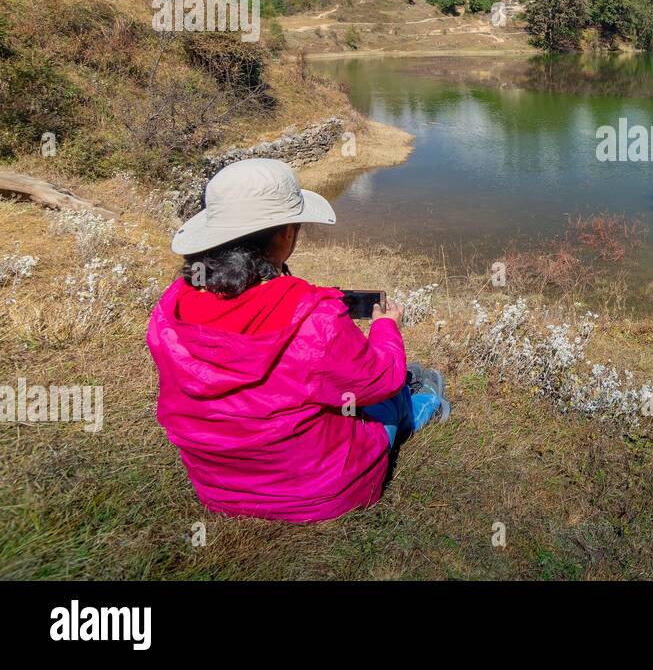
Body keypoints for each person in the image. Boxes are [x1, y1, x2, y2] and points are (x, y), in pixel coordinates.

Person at [145, 158, 449, 523]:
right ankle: (428, 403)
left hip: (218, 488)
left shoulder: (170, 307)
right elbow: (377, 381)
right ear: (285, 234)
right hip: (319, 493)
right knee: (391, 393)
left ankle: (416, 393)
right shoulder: (314, 318)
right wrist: (386, 327)